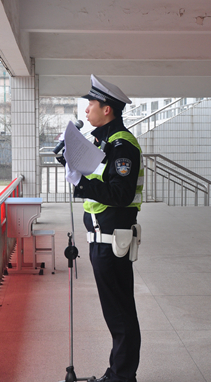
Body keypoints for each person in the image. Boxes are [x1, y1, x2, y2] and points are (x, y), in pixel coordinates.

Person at [66, 75, 143, 382]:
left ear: (107, 109)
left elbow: (121, 195)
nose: (87, 110)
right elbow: (103, 179)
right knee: (116, 313)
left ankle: (121, 377)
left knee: (120, 314)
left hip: (113, 241)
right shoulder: (105, 141)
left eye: (91, 104)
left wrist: (81, 183)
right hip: (104, 240)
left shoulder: (122, 145)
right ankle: (119, 373)